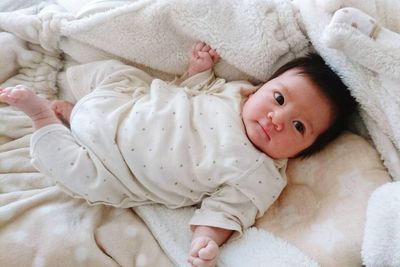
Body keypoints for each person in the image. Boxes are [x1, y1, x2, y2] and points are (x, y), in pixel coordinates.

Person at [0, 42, 356, 267]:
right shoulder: (234, 93)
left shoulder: (259, 175)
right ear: (262, 87)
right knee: (118, 74)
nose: (277, 119)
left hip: (113, 169)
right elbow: (191, 93)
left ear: (304, 152)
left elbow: (225, 212)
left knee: (76, 174)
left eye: (299, 127)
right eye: (278, 98)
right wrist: (198, 71)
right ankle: (75, 106)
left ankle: (43, 117)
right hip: (122, 106)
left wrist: (206, 241)